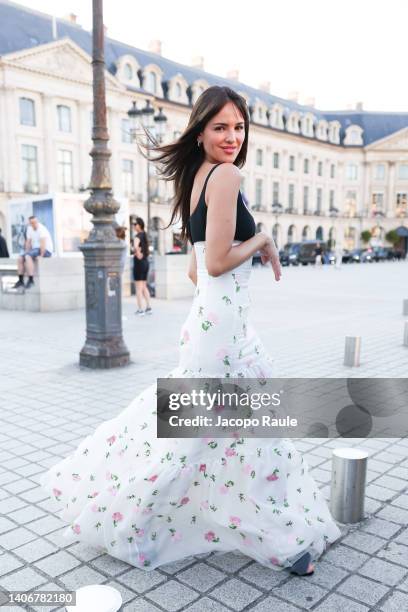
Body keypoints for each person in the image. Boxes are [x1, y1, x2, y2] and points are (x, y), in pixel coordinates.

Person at [41, 86, 341, 576]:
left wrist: (231, 278)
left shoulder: (199, 177)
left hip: (212, 325)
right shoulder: (226, 175)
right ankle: (282, 542)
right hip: (224, 333)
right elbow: (218, 262)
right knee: (241, 431)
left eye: (239, 127)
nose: (231, 136)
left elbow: (195, 271)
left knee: (211, 432)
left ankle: (143, 517)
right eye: (220, 127)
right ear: (201, 131)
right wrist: (261, 238)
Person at [13, 216, 53, 289]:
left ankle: (31, 280)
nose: (34, 224)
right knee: (20, 258)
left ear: (37, 222)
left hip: (46, 250)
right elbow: (28, 242)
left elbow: (43, 243)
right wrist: (25, 253)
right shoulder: (29, 229)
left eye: (35, 222)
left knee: (28, 257)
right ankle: (20, 280)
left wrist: (41, 255)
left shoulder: (42, 229)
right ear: (30, 223)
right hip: (35, 249)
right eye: (32, 223)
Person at [133, 217, 152, 316]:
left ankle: (140, 310)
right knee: (144, 286)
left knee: (138, 288)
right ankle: (148, 308)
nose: (134, 226)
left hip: (139, 263)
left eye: (135, 224)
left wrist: (137, 253)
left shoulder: (137, 236)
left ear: (139, 225)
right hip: (146, 263)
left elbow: (136, 246)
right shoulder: (145, 235)